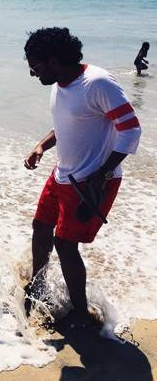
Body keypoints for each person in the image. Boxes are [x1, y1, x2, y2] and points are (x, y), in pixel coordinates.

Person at [22, 27, 141, 327]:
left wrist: (101, 175)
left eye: (35, 66)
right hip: (63, 173)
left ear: (53, 60)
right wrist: (41, 146)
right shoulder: (59, 84)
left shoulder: (97, 83)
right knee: (40, 227)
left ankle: (81, 312)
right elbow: (66, 126)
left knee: (65, 244)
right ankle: (38, 287)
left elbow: (131, 130)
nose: (33, 73)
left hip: (90, 180)